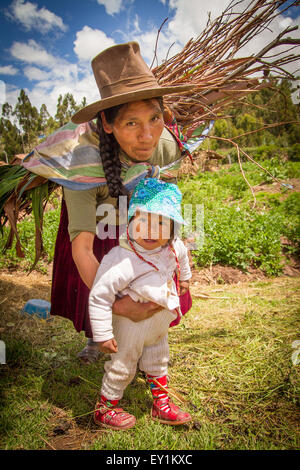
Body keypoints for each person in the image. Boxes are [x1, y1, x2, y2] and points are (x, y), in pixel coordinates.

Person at [48, 41, 193, 363]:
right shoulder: (80, 166)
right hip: (96, 229)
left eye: (154, 119)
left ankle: (148, 341)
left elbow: (165, 204)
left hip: (139, 224)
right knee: (100, 284)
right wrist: (114, 301)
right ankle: (94, 338)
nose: (147, 135)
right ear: (108, 125)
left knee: (147, 284)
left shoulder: (166, 143)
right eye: (131, 123)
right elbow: (83, 250)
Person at [89, 178, 192, 429]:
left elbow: (183, 255)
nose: (150, 230)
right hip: (130, 326)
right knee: (123, 363)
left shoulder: (171, 247)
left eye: (161, 223)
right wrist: (102, 334)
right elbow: (99, 295)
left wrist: (186, 279)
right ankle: (106, 406)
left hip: (158, 323)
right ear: (130, 221)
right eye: (143, 220)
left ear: (172, 229)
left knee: (158, 360)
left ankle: (161, 404)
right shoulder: (121, 258)